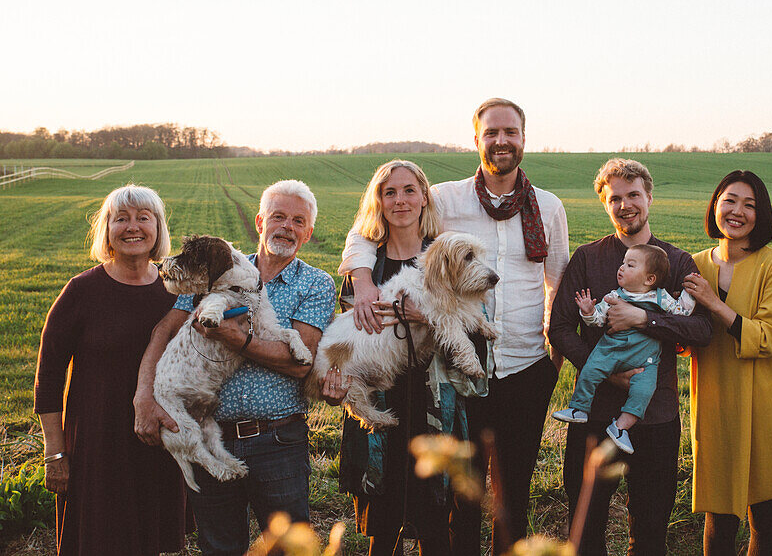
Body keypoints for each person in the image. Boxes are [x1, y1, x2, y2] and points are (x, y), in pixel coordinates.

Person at [339, 98, 569, 555]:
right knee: (458, 491)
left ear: (524, 137)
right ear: (477, 139)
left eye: (510, 132)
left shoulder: (549, 207)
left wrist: (554, 360)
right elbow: (367, 229)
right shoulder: (446, 198)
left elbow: (557, 284)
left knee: (514, 491)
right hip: (461, 371)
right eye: (491, 133)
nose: (501, 141)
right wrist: (362, 281)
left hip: (524, 366)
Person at [133, 179, 336, 556]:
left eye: (297, 221)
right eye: (278, 216)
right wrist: (143, 396)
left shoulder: (316, 283)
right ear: (259, 222)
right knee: (219, 547)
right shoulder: (216, 269)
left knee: (289, 548)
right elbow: (164, 331)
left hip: (278, 440)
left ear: (308, 232)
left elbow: (300, 363)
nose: (286, 227)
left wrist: (237, 340)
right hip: (214, 433)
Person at [548, 158, 712, 556]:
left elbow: (702, 330)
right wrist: (603, 372)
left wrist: (644, 318)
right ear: (605, 205)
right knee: (585, 528)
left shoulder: (676, 263)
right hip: (595, 415)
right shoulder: (588, 259)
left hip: (656, 415)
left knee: (651, 529)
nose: (625, 205)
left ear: (649, 197)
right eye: (615, 198)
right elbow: (560, 329)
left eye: (633, 195)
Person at [321, 159, 468, 556]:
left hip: (435, 408)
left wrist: (427, 317)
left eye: (408, 190)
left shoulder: (446, 260)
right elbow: (345, 345)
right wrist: (337, 386)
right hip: (382, 408)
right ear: (379, 202)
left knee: (436, 531)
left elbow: (473, 333)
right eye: (390, 192)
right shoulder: (365, 269)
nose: (400, 200)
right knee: (382, 533)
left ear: (424, 197)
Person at [34, 184, 188, 556]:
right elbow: (49, 377)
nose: (132, 227)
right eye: (121, 219)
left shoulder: (177, 291)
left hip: (158, 443)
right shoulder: (81, 291)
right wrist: (55, 454)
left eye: (143, 218)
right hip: (97, 446)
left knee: (151, 541)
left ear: (157, 229)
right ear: (107, 231)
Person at [680, 170, 772, 556]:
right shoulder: (695, 265)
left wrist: (714, 303)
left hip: (768, 403)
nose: (737, 211)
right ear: (715, 206)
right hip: (717, 404)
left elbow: (768, 337)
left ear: (761, 214)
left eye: (749, 205)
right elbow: (685, 335)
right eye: (729, 201)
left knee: (765, 519)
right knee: (718, 520)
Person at [551, 244, 694, 454]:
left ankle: (621, 427)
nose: (621, 268)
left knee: (644, 390)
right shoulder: (614, 296)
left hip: (645, 363)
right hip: (610, 352)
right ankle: (579, 408)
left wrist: (690, 294)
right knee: (591, 370)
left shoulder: (660, 297)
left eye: (630, 265)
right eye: (623, 263)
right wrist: (589, 311)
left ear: (649, 279)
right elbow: (597, 320)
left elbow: (682, 314)